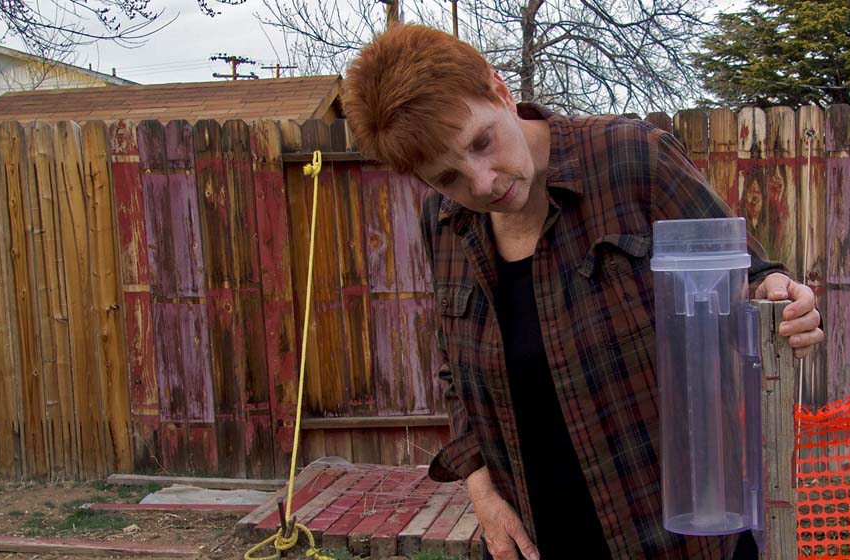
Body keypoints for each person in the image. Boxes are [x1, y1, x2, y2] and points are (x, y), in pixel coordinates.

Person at [342, 23, 825, 560]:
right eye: (448, 177)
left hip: (679, 538)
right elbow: (456, 372)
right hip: (540, 541)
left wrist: (781, 299)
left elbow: (750, 276)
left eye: (481, 142)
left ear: (499, 91)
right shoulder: (446, 222)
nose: (482, 183)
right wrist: (482, 494)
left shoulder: (630, 159)